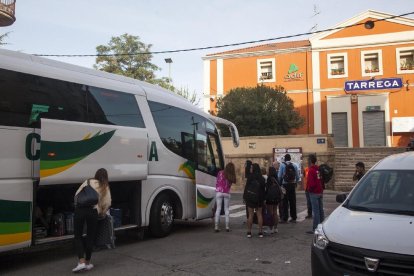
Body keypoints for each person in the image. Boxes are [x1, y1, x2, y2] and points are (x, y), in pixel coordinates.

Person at [72, 168, 112, 273]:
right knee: (91, 236)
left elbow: (77, 194)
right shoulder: (104, 186)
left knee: (78, 236)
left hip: (80, 210)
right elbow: (107, 203)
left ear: (96, 175)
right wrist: (102, 212)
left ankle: (81, 262)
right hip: (93, 212)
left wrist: (77, 206)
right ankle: (87, 263)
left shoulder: (88, 181)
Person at [244, 163, 266, 238]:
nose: (250, 169)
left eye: (251, 168)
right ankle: (260, 232)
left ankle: (249, 232)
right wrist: (263, 199)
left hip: (250, 198)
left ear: (253, 169)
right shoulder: (262, 178)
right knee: (259, 214)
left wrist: (245, 197)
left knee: (250, 215)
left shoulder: (250, 177)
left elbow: (246, 188)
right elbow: (263, 190)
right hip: (259, 198)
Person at [214, 162, 236, 232]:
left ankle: (216, 227)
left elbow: (217, 181)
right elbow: (229, 185)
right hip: (226, 193)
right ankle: (227, 227)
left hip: (219, 192)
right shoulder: (231, 175)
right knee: (226, 209)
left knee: (218, 209)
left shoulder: (220, 172)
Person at [278, 154, 300, 223]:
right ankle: (293, 217)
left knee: (285, 201)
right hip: (292, 185)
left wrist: (280, 183)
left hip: (285, 185)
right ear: (290, 159)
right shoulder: (294, 165)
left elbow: (279, 176)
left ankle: (285, 218)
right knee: (292, 201)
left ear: (285, 159)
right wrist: (295, 182)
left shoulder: (282, 165)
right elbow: (297, 176)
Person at [306, 154, 325, 234]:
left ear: (310, 161)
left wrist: (309, 190)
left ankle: (315, 228)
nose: (307, 161)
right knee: (321, 210)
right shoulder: (318, 169)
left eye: (308, 160)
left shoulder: (311, 170)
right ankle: (322, 226)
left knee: (316, 211)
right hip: (320, 191)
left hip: (314, 192)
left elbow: (311, 183)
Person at [265, 166, 281, 234]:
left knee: (270, 213)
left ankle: (270, 228)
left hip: (270, 198)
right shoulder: (276, 179)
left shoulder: (269, 179)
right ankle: (276, 228)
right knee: (275, 212)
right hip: (276, 197)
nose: (267, 172)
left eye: (268, 170)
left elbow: (267, 189)